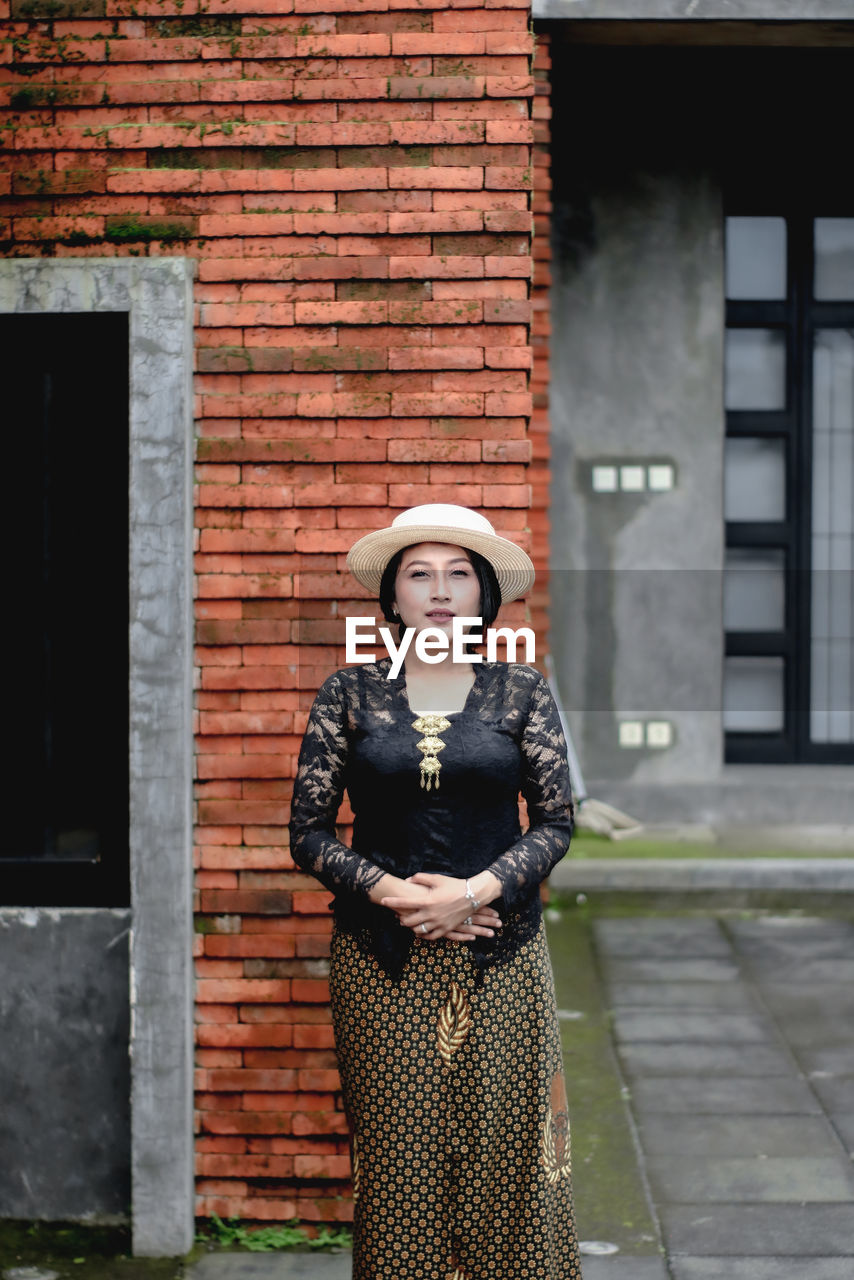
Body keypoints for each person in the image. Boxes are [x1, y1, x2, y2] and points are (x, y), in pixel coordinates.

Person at [288, 503, 582, 1280]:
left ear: (485, 595)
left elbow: (555, 822)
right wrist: (397, 895)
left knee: (509, 1158)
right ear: (393, 599)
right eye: (420, 574)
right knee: (399, 1163)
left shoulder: (521, 690)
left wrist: (475, 891)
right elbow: (308, 832)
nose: (440, 590)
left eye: (459, 574)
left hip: (503, 954)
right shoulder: (348, 694)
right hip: (381, 962)